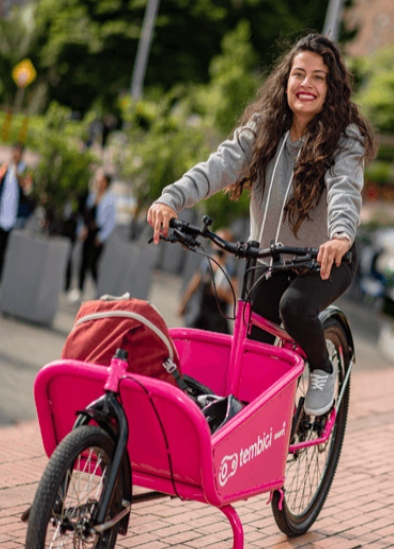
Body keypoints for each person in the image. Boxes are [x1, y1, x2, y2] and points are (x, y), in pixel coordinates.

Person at [147, 33, 376, 416]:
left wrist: (340, 236)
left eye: (318, 77)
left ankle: (322, 369)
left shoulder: (344, 139)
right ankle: (255, 432)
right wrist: (171, 198)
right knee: (248, 343)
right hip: (271, 260)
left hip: (326, 260)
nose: (306, 84)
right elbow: (217, 167)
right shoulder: (265, 128)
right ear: (285, 80)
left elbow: (345, 190)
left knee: (295, 307)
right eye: (298, 74)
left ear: (332, 88)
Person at [0, 143, 34, 285]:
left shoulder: (26, 172)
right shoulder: (5, 169)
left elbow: (29, 193)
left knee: (12, 250)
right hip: (2, 217)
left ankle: (9, 278)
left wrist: (20, 178)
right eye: (14, 152)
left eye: (18, 153)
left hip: (16, 219)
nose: (15, 155)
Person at [68, 169, 116, 302]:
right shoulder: (92, 196)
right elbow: (85, 215)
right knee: (83, 261)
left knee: (93, 263)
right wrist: (81, 229)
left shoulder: (110, 200)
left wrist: (101, 236)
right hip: (88, 232)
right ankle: (79, 289)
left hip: (98, 235)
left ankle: (98, 290)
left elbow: (111, 222)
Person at [178, 228, 237, 334]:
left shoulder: (229, 270)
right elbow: (193, 285)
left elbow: (233, 298)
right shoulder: (206, 264)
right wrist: (184, 304)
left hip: (218, 322)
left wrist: (220, 293)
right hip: (200, 316)